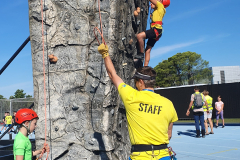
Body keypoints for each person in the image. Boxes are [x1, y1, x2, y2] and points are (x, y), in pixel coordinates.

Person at [98, 44, 178, 160]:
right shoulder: (168, 103)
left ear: (141, 81)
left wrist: (105, 54)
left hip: (140, 156)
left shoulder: (131, 96)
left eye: (136, 81)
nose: (135, 84)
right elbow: (169, 134)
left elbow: (112, 75)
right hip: (164, 155)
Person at [135, 0, 170, 68]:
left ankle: (141, 54)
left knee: (139, 36)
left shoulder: (160, 6)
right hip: (158, 31)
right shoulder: (161, 9)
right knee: (148, 50)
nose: (151, 3)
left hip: (156, 30)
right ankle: (145, 68)